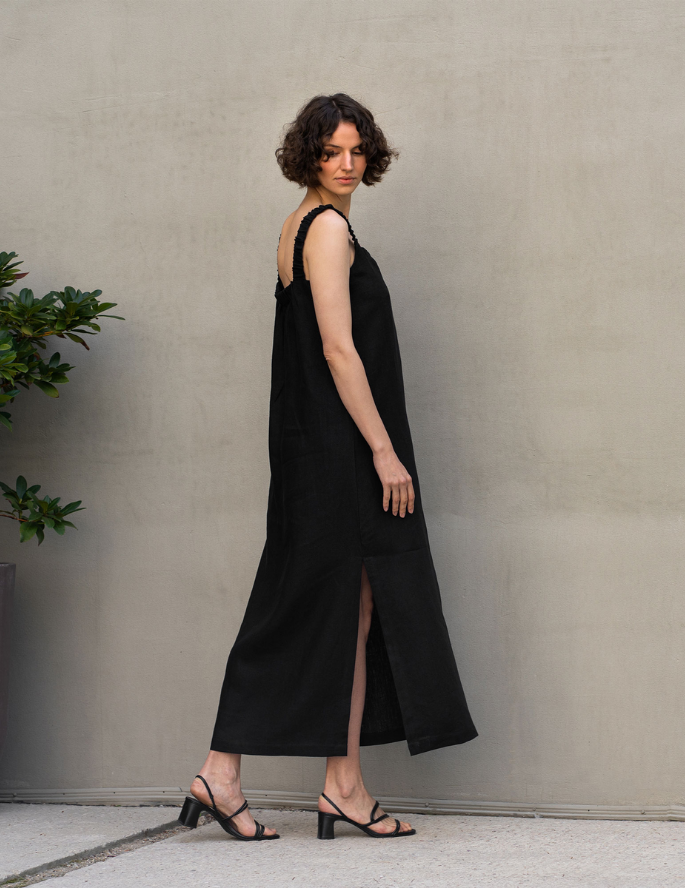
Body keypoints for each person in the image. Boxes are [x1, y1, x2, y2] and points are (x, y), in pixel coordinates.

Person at [178, 94, 478, 842]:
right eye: (332, 152)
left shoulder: (295, 228)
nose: (347, 165)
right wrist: (383, 450)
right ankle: (225, 770)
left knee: (347, 605)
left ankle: (338, 785)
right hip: (342, 454)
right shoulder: (329, 232)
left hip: (311, 447)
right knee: (311, 607)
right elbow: (339, 351)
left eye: (356, 152)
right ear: (307, 156)